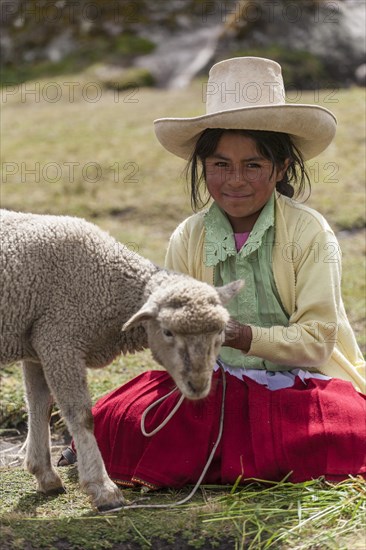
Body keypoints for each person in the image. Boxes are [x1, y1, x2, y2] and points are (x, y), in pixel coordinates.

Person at [59, 57, 366, 489]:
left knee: (343, 430)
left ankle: (231, 454)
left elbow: (318, 341)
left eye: (253, 165)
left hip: (301, 384)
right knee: (120, 418)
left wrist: (240, 334)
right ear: (203, 167)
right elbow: (169, 333)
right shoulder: (190, 236)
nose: (235, 180)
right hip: (214, 384)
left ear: (280, 168)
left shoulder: (309, 233)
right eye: (221, 165)